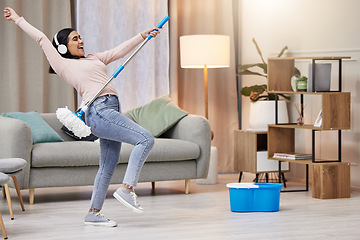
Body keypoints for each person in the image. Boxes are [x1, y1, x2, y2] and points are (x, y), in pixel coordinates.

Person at [4, 7, 160, 227]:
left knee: (107, 165)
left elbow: (119, 51)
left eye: (80, 37)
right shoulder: (63, 64)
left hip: (110, 110)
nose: (80, 41)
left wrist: (142, 35)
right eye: (74, 38)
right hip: (99, 111)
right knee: (145, 139)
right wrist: (17, 19)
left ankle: (93, 213)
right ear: (62, 46)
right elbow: (40, 38)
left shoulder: (94, 58)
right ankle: (127, 189)